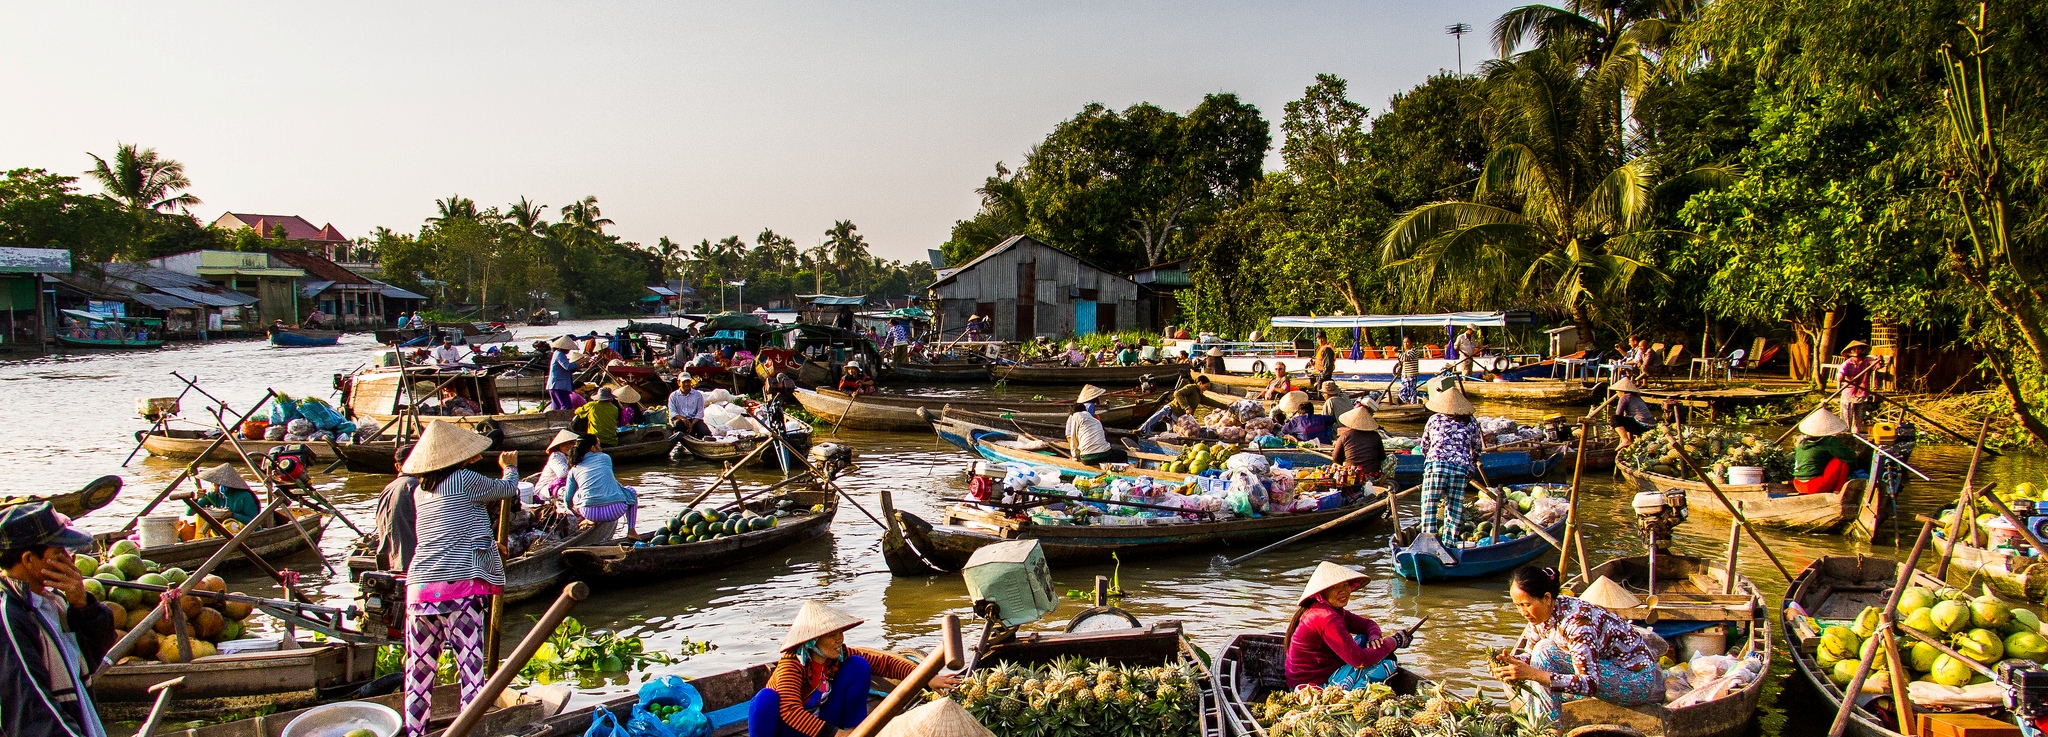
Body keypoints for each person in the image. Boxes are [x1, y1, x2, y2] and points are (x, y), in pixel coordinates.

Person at [399, 422, 521, 737]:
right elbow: (507, 490)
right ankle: (468, 731)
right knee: (471, 671)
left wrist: (492, 546)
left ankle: (414, 732)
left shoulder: (419, 491)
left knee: (419, 673)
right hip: (457, 591)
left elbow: (450, 531)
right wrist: (510, 468)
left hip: (419, 590)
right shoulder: (464, 480)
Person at [748, 601, 959, 737]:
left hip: (823, 722)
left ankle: (855, 731)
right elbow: (791, 711)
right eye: (832, 635)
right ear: (813, 641)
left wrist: (926, 677)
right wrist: (835, 735)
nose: (840, 639)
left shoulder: (839, 655)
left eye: (840, 632)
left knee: (859, 665)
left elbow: (885, 663)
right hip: (791, 730)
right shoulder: (792, 665)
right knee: (764, 700)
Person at [0, 501, 113, 737]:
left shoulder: (54, 603)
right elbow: (33, 708)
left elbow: (90, 659)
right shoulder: (9, 616)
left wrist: (82, 605)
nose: (68, 559)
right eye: (58, 552)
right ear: (29, 559)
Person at [1490, 565, 1664, 709]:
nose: (1522, 612)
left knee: (1544, 652)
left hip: (1637, 682)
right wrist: (1509, 663)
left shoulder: (1577, 623)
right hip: (1604, 671)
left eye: (1527, 605)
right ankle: (1546, 727)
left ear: (1547, 598)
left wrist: (1533, 674)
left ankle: (1551, 731)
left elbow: (1590, 683)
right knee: (1540, 653)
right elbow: (1530, 654)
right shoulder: (1541, 617)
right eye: (1518, 606)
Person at [1284, 562, 1409, 689]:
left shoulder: (1331, 610)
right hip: (1311, 687)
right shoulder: (1325, 617)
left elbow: (1368, 624)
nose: (1342, 591)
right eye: (1334, 587)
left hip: (1324, 672)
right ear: (1323, 592)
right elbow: (1358, 660)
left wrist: (1374, 637)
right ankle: (1351, 693)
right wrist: (1393, 642)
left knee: (1366, 638)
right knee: (1389, 664)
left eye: (1345, 585)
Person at [1417, 388, 1479, 543]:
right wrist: (1470, 465)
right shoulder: (1471, 422)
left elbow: (1424, 446)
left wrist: (1432, 460)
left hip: (1437, 466)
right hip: (1460, 469)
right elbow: (1477, 449)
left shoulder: (1434, 419)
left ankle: (1428, 544)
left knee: (1429, 507)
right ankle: (1449, 543)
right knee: (1454, 509)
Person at [562, 433, 640, 538]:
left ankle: (589, 520)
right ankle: (631, 531)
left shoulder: (574, 469)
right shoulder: (605, 458)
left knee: (577, 494)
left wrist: (576, 513)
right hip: (615, 511)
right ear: (592, 448)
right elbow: (609, 481)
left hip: (589, 513)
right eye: (599, 445)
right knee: (631, 491)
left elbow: (567, 499)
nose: (601, 448)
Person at [1792, 409, 1864, 495]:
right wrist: (1854, 468)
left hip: (1798, 484)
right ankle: (1838, 491)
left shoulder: (1802, 442)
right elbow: (1850, 457)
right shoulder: (1828, 441)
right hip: (1813, 486)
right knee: (1841, 460)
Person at [373, 444, 421, 570]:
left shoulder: (388, 488)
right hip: (410, 563)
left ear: (397, 467)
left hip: (388, 561)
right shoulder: (417, 487)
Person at [1067, 385, 1126, 464]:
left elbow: (1074, 440)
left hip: (1086, 458)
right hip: (1098, 453)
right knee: (1123, 454)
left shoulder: (1079, 414)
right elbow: (1075, 437)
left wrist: (1075, 457)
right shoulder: (1085, 411)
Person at [1837, 341, 1886, 434]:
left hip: (1862, 393)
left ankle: (1856, 435)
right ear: (1849, 352)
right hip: (1849, 394)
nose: (1856, 351)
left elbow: (1878, 365)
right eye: (1854, 349)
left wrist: (1880, 360)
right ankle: (1846, 435)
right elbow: (1840, 375)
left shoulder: (1867, 361)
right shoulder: (1848, 363)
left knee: (1858, 420)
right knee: (1846, 419)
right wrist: (1841, 377)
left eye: (1858, 348)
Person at [1329, 407, 1386, 482]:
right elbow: (1382, 457)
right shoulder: (1375, 435)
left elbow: (1336, 458)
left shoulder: (1345, 436)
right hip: (1373, 475)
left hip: (1352, 476)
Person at [195, 463, 262, 525]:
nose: (213, 484)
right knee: (200, 517)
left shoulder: (244, 496)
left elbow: (255, 522)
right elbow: (189, 513)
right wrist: (195, 498)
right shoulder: (213, 494)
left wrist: (233, 515)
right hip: (219, 529)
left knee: (228, 525)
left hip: (241, 529)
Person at [1606, 377, 1656, 446]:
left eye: (1617, 391)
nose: (1617, 393)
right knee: (1626, 418)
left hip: (1643, 426)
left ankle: (1625, 440)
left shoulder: (1624, 397)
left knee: (1614, 419)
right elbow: (1629, 417)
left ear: (1621, 391)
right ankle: (1629, 440)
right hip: (1651, 426)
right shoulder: (1637, 397)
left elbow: (1618, 414)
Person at [546, 336, 578, 411]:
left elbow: (567, 369)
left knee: (556, 407)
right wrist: (579, 362)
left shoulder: (558, 354)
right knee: (566, 406)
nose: (569, 350)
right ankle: (564, 422)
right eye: (568, 348)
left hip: (555, 385)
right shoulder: (559, 354)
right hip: (559, 386)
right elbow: (568, 367)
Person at [1394, 337, 1424, 404]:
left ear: (1412, 343)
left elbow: (1406, 358)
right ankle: (1410, 404)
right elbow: (1402, 360)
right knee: (1403, 393)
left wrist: (1396, 353)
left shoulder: (1414, 351)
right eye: (1404, 342)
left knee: (1410, 393)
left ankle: (1412, 405)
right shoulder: (1406, 352)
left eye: (1407, 342)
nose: (1406, 344)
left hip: (1411, 376)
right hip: (1405, 376)